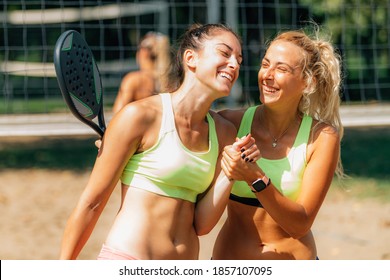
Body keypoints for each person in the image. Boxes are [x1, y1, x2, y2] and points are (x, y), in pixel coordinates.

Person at [59, 23, 259, 260]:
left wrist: (230, 172)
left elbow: (202, 225)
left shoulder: (224, 133)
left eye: (239, 59)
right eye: (225, 53)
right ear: (190, 58)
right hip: (128, 259)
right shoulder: (140, 116)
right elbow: (91, 204)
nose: (235, 64)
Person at [213, 27, 344, 260]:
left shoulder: (322, 137)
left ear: (307, 82)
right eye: (265, 64)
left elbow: (300, 225)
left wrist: (255, 178)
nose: (267, 75)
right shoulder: (229, 123)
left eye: (281, 68)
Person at [112, 32, 171, 113]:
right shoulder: (171, 81)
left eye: (138, 48)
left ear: (144, 53)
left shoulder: (133, 80)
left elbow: (117, 114)